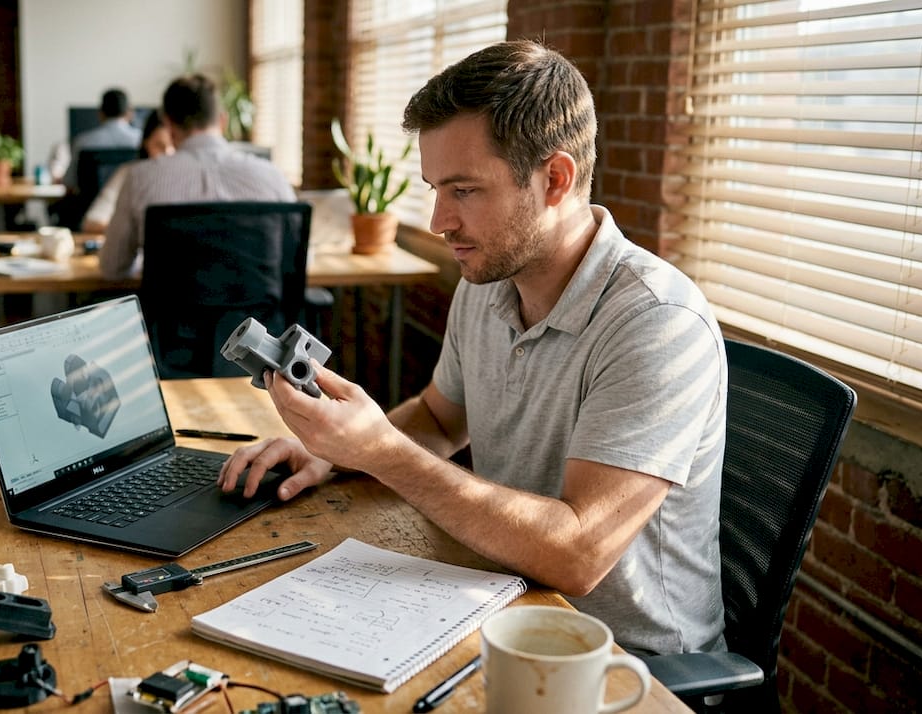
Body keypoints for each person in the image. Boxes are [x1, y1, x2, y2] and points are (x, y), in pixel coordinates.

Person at [219, 40, 728, 658]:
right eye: (436, 188)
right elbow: (438, 419)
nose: (439, 221)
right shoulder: (489, 283)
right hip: (498, 603)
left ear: (555, 180)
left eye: (463, 191)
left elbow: (578, 553)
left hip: (622, 661)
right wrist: (331, 454)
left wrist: (382, 452)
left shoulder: (657, 323)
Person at [99, 73, 294, 279]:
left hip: (170, 311)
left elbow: (113, 267)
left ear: (168, 125)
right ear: (222, 120)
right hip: (259, 311)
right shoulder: (272, 176)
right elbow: (299, 258)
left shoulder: (140, 178)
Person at [80, 110, 173, 234]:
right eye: (159, 146)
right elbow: (92, 221)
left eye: (175, 146)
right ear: (146, 144)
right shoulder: (130, 173)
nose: (168, 153)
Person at [48, 87, 142, 189]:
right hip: (130, 203)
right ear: (129, 113)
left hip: (91, 204)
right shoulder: (141, 140)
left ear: (101, 113)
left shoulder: (83, 142)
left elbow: (70, 181)